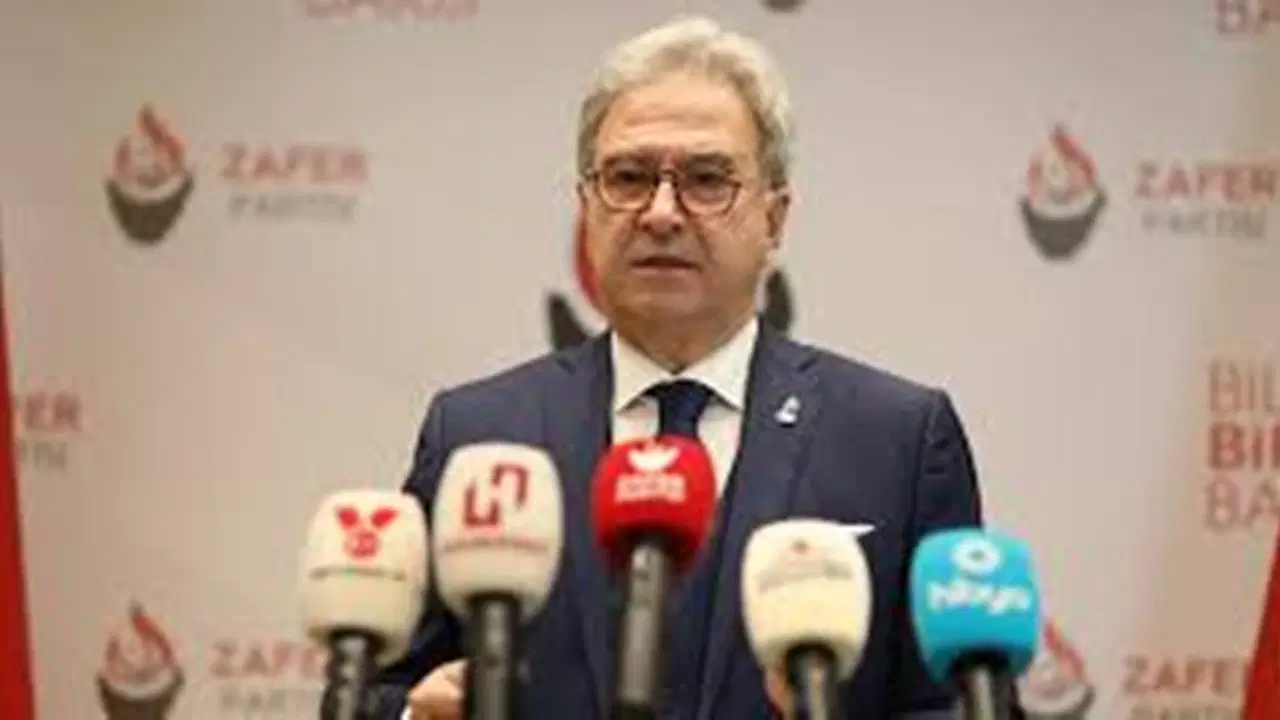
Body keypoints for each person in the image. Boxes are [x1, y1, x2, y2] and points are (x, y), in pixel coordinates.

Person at [372, 14, 989, 720]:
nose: (661, 213)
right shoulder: (478, 436)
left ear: (774, 217)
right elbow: (376, 688)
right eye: (629, 178)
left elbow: (962, 704)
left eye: (706, 180)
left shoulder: (897, 440)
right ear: (585, 207)